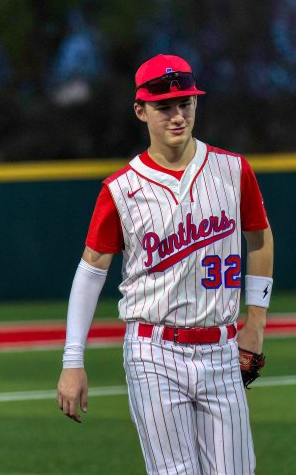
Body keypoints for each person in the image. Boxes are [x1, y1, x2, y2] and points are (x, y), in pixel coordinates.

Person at [57, 53, 275, 475]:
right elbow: (91, 271)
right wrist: (72, 360)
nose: (177, 116)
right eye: (164, 107)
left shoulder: (233, 170)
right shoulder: (121, 189)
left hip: (222, 347)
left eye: (185, 103)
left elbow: (260, 239)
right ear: (141, 111)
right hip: (153, 349)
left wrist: (257, 321)